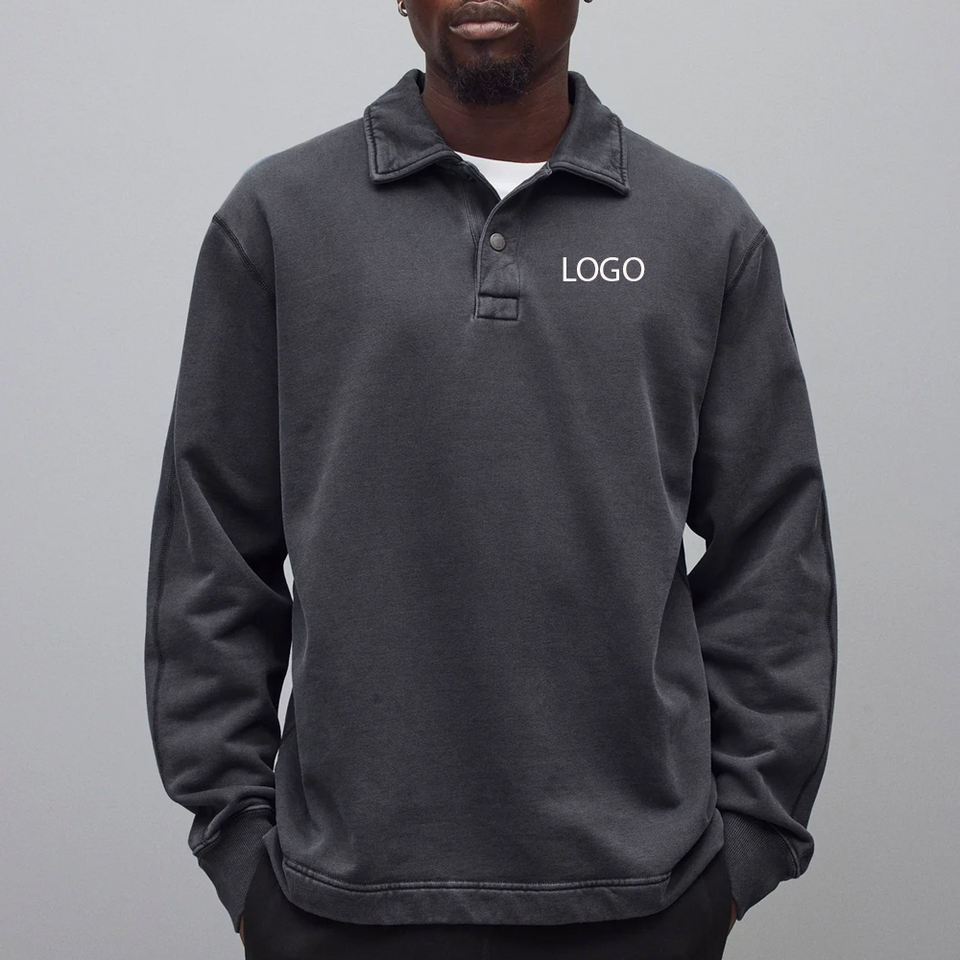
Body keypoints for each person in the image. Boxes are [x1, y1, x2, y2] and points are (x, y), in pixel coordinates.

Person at [143, 1, 838, 957]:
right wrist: (241, 861)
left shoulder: (702, 229)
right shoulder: (278, 219)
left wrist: (744, 853)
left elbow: (776, 548)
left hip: (645, 898)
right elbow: (210, 548)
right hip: (338, 903)